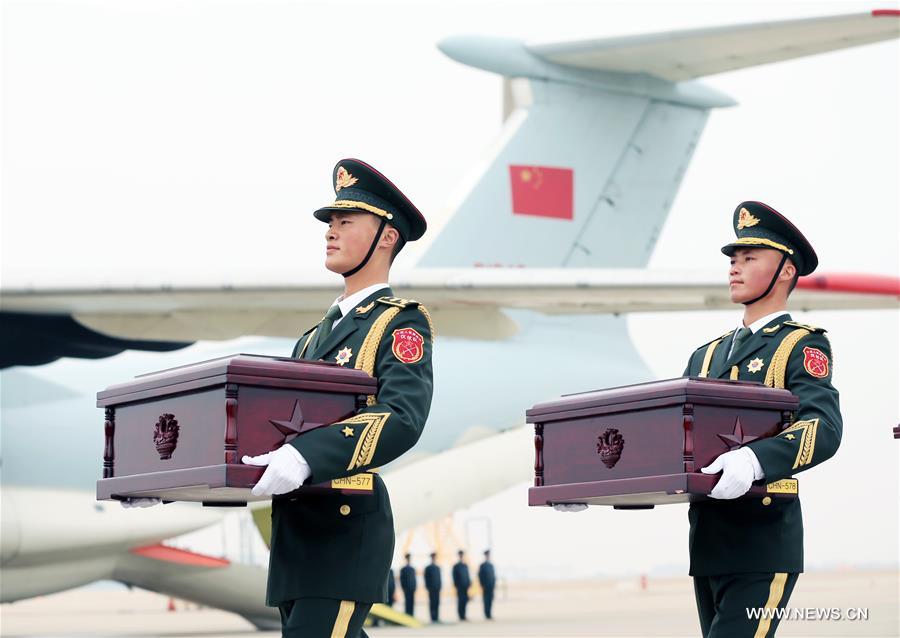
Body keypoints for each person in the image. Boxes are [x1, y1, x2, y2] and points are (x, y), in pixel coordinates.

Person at [242, 159, 435, 638]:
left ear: (386, 236)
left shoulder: (398, 322)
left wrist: (307, 456)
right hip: (297, 537)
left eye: (346, 222)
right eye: (330, 223)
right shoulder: (310, 339)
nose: (330, 232)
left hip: (345, 529)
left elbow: (402, 416)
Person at [682, 201, 842, 637]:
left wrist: (754, 460)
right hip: (709, 540)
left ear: (786, 270)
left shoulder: (799, 346)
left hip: (763, 538)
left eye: (750, 258)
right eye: (733, 259)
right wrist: (602, 485)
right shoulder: (706, 355)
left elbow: (823, 429)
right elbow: (672, 439)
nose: (735, 268)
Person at [451, 550, 471, 621]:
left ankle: (464, 615)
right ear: (458, 556)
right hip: (460, 587)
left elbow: (467, 575)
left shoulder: (465, 565)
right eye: (460, 555)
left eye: (462, 555)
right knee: (460, 601)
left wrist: (469, 584)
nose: (461, 556)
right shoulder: (456, 566)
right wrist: (456, 585)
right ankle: (460, 615)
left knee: (465, 601)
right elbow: (454, 577)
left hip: (466, 586)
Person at [424, 552, 442, 623]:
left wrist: (440, 586)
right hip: (431, 589)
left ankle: (437, 617)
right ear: (431, 558)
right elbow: (426, 579)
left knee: (437, 603)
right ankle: (432, 618)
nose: (434, 558)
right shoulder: (428, 568)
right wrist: (428, 587)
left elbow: (439, 578)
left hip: (437, 588)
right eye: (433, 557)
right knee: (432, 603)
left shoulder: (438, 567)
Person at [478, 549, 496, 620]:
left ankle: (489, 614)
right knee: (486, 601)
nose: (488, 556)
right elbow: (480, 576)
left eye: (489, 555)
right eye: (487, 555)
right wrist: (482, 585)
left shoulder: (491, 565)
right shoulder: (482, 565)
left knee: (490, 600)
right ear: (485, 556)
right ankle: (486, 614)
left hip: (491, 586)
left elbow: (493, 576)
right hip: (485, 586)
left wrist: (493, 584)